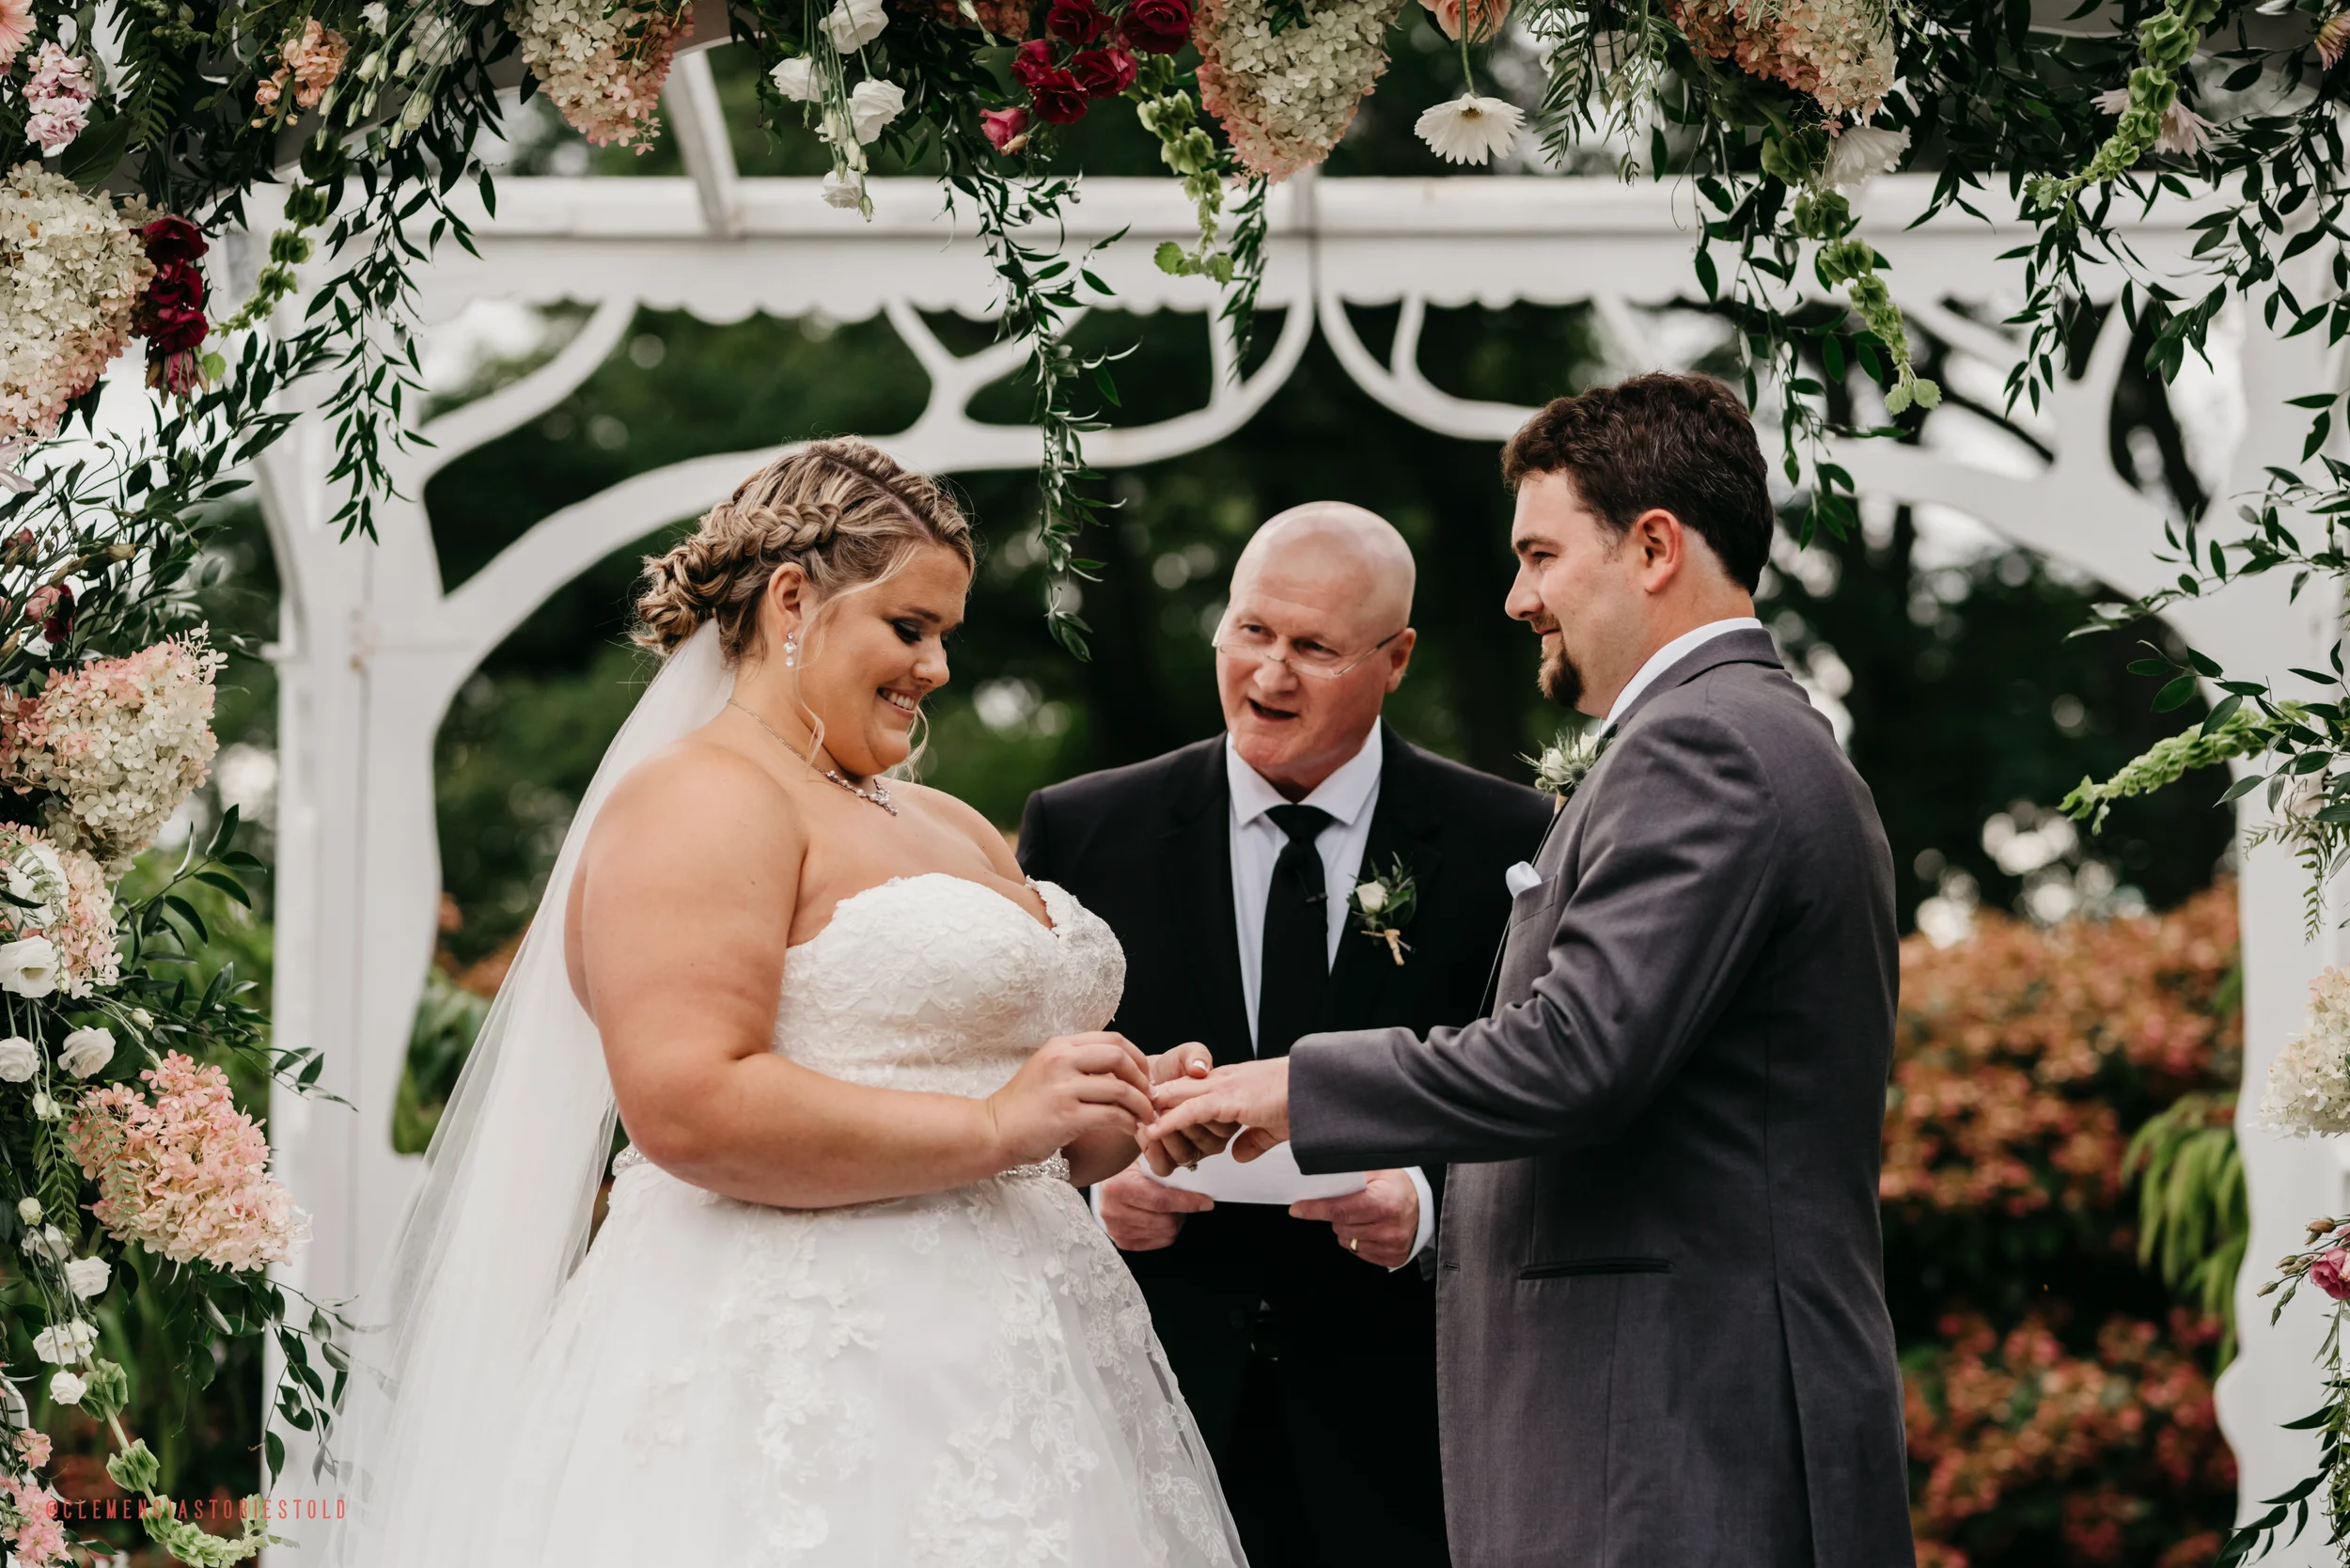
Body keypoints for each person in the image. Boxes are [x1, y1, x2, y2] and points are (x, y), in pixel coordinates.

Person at [325, 439, 1246, 1568]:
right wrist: (1001, 1124)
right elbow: (690, 1106)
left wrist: (1121, 1107)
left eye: (945, 635)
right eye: (909, 629)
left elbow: (1019, 1116)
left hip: (1029, 1375)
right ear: (794, 599)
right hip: (801, 1380)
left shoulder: (945, 821)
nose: (937, 670)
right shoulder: (700, 800)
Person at [1144, 376, 1915, 1568]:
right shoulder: (1737, 735)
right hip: (1659, 1414)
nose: (1518, 599)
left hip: (1667, 1426)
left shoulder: (1703, 745)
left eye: (1542, 555)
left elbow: (1575, 1054)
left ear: (1653, 547)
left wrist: (1290, 1085)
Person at [1017, 504, 1551, 1568]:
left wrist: (1428, 1205)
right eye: (1251, 631)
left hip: (1402, 1420)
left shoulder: (1511, 840)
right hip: (1149, 1405)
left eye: (1314, 648)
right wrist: (1088, 1194)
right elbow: (1014, 1093)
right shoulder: (1081, 830)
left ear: (1395, 659)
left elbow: (1543, 1090)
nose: (1270, 673)